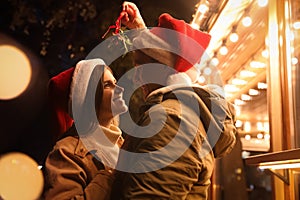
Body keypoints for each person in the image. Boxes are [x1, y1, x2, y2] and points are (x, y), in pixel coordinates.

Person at [111, 2, 237, 199]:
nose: (135, 77)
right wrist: (140, 32)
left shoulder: (171, 120)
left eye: (141, 67)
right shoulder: (177, 114)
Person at [43, 58, 128, 200]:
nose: (120, 89)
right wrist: (110, 175)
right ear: (88, 97)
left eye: (115, 83)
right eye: (107, 85)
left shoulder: (120, 143)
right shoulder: (66, 152)